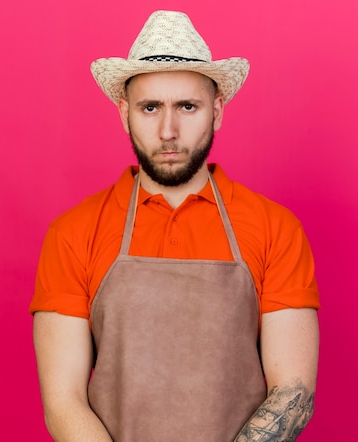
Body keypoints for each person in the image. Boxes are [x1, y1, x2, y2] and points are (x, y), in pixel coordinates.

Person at [30, 10, 320, 442]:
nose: (169, 131)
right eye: (151, 107)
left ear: (217, 110)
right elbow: (63, 400)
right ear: (124, 113)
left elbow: (293, 392)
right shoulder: (74, 233)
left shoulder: (276, 228)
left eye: (187, 106)